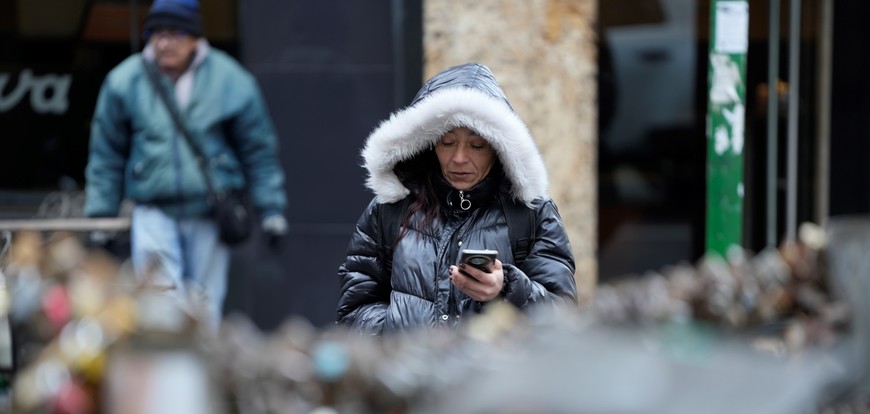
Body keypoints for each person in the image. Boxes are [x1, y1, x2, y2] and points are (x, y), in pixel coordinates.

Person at [84, 0, 288, 327]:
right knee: (157, 306)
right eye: (156, 34)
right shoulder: (125, 81)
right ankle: (166, 376)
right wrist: (100, 213)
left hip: (210, 212)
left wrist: (271, 209)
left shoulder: (230, 79)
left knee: (205, 306)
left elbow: (258, 149)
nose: (164, 43)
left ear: (194, 37)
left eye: (175, 33)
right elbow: (106, 154)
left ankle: (202, 376)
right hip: (153, 210)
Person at [337, 62, 577, 334]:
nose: (460, 158)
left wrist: (507, 287)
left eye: (477, 145)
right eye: (447, 143)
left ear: (498, 147)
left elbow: (563, 320)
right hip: (413, 374)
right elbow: (355, 308)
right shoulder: (391, 208)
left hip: (495, 376)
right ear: (428, 143)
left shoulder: (531, 212)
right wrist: (395, 338)